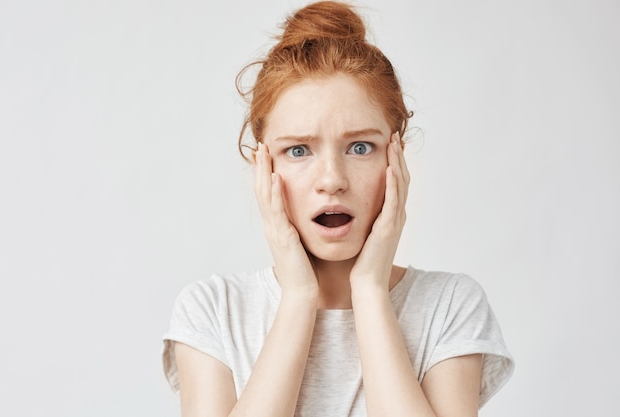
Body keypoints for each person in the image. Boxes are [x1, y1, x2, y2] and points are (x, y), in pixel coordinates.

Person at [162, 2, 514, 416]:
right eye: (298, 150)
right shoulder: (213, 311)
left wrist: (370, 292)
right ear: (264, 165)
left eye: (360, 147)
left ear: (395, 158)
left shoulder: (450, 305)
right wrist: (298, 296)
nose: (332, 179)